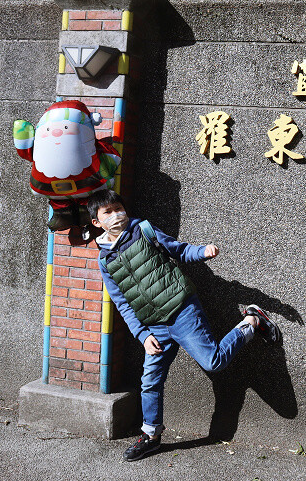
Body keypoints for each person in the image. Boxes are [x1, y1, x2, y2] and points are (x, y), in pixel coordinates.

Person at [86, 189, 281, 461]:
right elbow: (122, 302)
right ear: (96, 222)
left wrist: (203, 252)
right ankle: (151, 436)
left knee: (213, 361)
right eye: (108, 212)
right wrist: (142, 335)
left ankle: (252, 320)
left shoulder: (143, 230)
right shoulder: (105, 260)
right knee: (150, 382)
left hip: (182, 310)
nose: (116, 214)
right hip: (154, 327)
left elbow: (178, 250)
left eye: (118, 207)